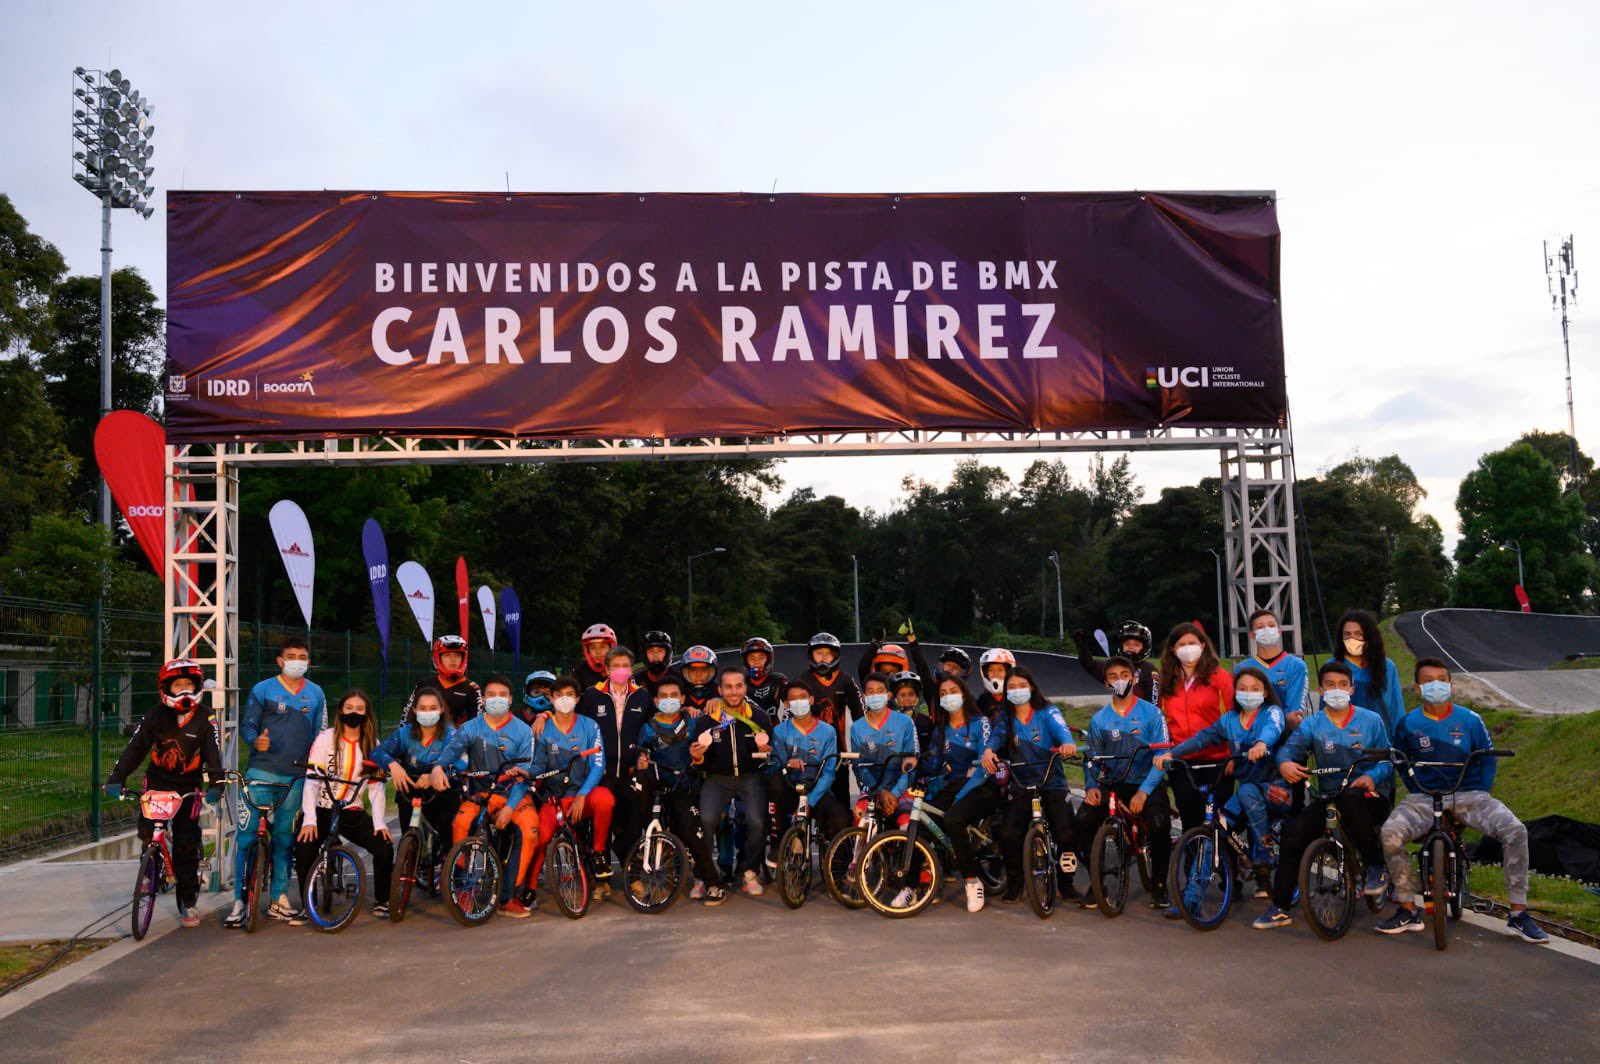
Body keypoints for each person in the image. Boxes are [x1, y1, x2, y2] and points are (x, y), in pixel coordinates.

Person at [1375, 659, 1547, 943]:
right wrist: (1416, 785)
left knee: (1516, 830)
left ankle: (1518, 914)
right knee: (1389, 834)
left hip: (1470, 795)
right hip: (1422, 798)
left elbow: (1487, 758)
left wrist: (1480, 789)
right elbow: (1399, 760)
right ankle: (1407, 908)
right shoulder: (1407, 724)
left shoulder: (1471, 720)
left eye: (1442, 679)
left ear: (1451, 684)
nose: (1436, 685)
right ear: (1418, 687)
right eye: (1428, 680)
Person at [1255, 660, 1394, 930]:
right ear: (1321, 689)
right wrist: (1285, 763)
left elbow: (1388, 760)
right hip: (1330, 796)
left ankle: (1375, 867)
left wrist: (1371, 777)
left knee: (1351, 799)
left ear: (1352, 689)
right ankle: (1280, 905)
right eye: (1330, 685)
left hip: (1368, 797)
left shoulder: (1371, 721)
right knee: (1294, 835)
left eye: (1343, 685)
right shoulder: (1313, 725)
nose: (1337, 690)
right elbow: (1290, 751)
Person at [104, 659, 223, 929]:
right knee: (148, 829)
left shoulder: (206, 717)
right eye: (177, 685)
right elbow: (135, 748)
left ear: (197, 687)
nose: (183, 691)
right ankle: (150, 865)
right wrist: (116, 778)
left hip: (187, 786)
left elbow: (214, 752)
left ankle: (188, 901)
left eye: (188, 685)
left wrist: (216, 785)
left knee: (185, 844)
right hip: (157, 781)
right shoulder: (154, 715)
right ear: (166, 688)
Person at [1154, 666, 1288, 900]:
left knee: (1246, 790)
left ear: (1265, 692)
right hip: (1247, 795)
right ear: (1234, 692)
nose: (1249, 693)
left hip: (1277, 792)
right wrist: (1172, 754)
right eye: (1243, 688)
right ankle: (1191, 901)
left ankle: (1264, 850)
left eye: (1255, 689)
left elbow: (1273, 729)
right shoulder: (1229, 720)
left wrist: (1260, 744)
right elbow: (1202, 739)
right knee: (1215, 829)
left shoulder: (1272, 713)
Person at [227, 636, 326, 928]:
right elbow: (247, 725)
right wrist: (253, 741)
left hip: (295, 779)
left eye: (303, 656)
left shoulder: (316, 693)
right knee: (246, 838)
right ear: (280, 661)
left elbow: (320, 734)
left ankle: (280, 898)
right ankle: (238, 901)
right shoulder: (263, 690)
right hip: (259, 774)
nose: (298, 661)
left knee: (284, 840)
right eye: (292, 656)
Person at [431, 675, 540, 917]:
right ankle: (462, 886)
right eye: (491, 695)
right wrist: (438, 767)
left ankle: (508, 897)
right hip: (481, 794)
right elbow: (451, 752)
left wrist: (511, 808)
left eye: (502, 695)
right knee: (460, 823)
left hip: (515, 795)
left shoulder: (523, 731)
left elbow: (526, 774)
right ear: (483, 699)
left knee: (531, 830)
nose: (497, 699)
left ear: (511, 699)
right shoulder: (470, 728)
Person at [1074, 656, 1172, 909]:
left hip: (1145, 783)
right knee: (1083, 820)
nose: (1120, 681)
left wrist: (1143, 792)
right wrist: (1092, 786)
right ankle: (1098, 882)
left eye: (1125, 675)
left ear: (1134, 678)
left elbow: (1162, 756)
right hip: (1113, 784)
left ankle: (1160, 886)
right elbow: (1092, 759)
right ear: (1106, 683)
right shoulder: (1099, 720)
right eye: (1113, 677)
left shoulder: (1152, 714)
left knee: (1160, 825)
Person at [978, 666, 1080, 904]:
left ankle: (1067, 884)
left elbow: (1062, 731)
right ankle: (1015, 883)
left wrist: (1067, 744)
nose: (1016, 691)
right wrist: (989, 751)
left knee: (1066, 832)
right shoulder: (1006, 717)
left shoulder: (1048, 712)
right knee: (1009, 832)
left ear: (1031, 687)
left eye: (1021, 686)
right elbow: (996, 736)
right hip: (1021, 783)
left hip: (1051, 781)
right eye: (1011, 687)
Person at [294, 689, 393, 919]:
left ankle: (382, 900)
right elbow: (311, 781)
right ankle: (308, 905)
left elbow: (376, 787)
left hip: (352, 811)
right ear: (341, 711)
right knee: (304, 847)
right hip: (322, 809)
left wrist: (379, 823)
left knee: (384, 847)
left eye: (360, 709)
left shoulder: (372, 744)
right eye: (349, 708)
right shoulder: (325, 739)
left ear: (366, 713)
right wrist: (309, 820)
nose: (354, 713)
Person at [636, 675, 729, 906]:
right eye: (664, 696)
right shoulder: (647, 728)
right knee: (647, 829)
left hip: (686, 788)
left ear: (683, 698)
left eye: (674, 696)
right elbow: (642, 754)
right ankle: (649, 877)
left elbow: (710, 752)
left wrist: (698, 758)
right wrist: (641, 761)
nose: (669, 700)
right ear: (656, 701)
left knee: (691, 832)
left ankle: (713, 883)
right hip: (657, 788)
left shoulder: (694, 722)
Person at [525, 676, 614, 900]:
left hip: (582, 795)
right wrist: (527, 775)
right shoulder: (542, 728)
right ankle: (529, 888)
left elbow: (598, 764)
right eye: (559, 695)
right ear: (551, 699)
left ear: (577, 699)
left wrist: (583, 795)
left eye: (570, 695)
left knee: (605, 799)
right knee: (542, 837)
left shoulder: (589, 725)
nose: (564, 699)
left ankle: (599, 853)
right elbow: (537, 764)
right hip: (554, 799)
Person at [691, 666, 774, 897]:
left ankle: (750, 872)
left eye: (738, 686)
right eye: (728, 687)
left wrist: (765, 752)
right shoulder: (706, 721)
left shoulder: (759, 717)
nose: (734, 691)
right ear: (720, 690)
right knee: (706, 821)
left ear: (745, 688)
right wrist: (697, 758)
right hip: (717, 779)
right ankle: (702, 875)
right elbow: (699, 760)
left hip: (751, 778)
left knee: (757, 821)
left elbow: (770, 756)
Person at [925, 676, 1001, 912]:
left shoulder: (981, 723)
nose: (949, 696)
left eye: (953, 690)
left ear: (964, 693)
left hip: (982, 785)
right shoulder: (941, 729)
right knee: (923, 822)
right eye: (944, 693)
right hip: (953, 786)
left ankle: (971, 880)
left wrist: (960, 797)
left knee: (953, 818)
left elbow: (983, 768)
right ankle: (918, 884)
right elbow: (933, 763)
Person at [578, 645, 651, 884]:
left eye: (625, 666)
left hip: (630, 772)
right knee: (601, 827)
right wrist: (544, 715)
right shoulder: (592, 695)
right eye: (616, 666)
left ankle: (634, 878)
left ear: (631, 670)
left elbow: (655, 726)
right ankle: (601, 881)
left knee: (631, 827)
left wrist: (646, 755)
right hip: (602, 773)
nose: (621, 670)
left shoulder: (642, 696)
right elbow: (572, 719)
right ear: (607, 670)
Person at [1157, 622, 1235, 833]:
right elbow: (1159, 718)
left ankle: (1226, 863)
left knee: (1219, 820)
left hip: (1218, 758)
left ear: (1203, 645)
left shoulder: (1220, 677)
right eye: (1182, 644)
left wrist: (1235, 754)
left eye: (1192, 642)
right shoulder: (1165, 680)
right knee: (1190, 820)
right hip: (1182, 760)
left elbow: (1235, 717)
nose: (1187, 648)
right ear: (1173, 648)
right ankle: (1191, 864)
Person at [371, 686, 464, 860]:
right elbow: (376, 752)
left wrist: (436, 775)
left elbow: (463, 761)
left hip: (441, 792)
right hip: (410, 790)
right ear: (414, 710)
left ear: (442, 709)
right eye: (422, 708)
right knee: (409, 840)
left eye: (433, 708)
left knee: (447, 834)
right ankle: (409, 864)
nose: (427, 713)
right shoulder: (404, 733)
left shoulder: (452, 734)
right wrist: (393, 765)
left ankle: (452, 872)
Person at [766, 678, 852, 862]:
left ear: (811, 700)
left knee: (840, 817)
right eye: (793, 699)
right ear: (787, 704)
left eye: (803, 697)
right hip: (790, 789)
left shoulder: (828, 731)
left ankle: (836, 869)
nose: (799, 702)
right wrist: (788, 762)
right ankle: (778, 843)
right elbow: (775, 765)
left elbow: (829, 772)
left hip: (817, 791)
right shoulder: (780, 731)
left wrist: (809, 803)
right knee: (773, 790)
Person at [795, 632, 863, 806]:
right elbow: (789, 716)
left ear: (835, 656)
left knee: (842, 803)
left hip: (838, 751)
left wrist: (864, 742)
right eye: (819, 653)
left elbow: (860, 714)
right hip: (806, 750)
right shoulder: (801, 679)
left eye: (828, 654)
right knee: (805, 801)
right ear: (811, 655)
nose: (823, 658)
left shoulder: (846, 680)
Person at [847, 672, 919, 832]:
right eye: (870, 692)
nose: (875, 696)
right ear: (864, 696)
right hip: (873, 791)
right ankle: (865, 856)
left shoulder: (905, 722)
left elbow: (912, 764)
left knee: (906, 823)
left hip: (902, 790)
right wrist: (880, 793)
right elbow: (859, 767)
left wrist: (893, 794)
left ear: (888, 695)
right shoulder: (857, 728)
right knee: (860, 816)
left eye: (880, 691)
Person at [1332, 608, 1405, 733]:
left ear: (1369, 636)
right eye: (1347, 634)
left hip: (1381, 740)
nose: (1352, 639)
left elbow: (1396, 708)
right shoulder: (1333, 666)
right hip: (1344, 741)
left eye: (1358, 634)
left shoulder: (1387, 666)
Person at [1235, 609, 1309, 725]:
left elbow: (1294, 713)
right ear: (1252, 634)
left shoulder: (1296, 666)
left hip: (1286, 735)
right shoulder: (1242, 669)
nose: (1266, 630)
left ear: (1279, 630)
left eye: (1271, 625)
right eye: (1260, 627)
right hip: (1251, 733)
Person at [401, 634, 483, 727]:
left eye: (457, 655)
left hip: (457, 739)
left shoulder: (472, 688)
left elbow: (477, 723)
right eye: (447, 655)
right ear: (438, 658)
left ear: (463, 658)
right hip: (423, 738)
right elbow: (407, 716)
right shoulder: (424, 684)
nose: (453, 659)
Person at [1075, 621, 1159, 704]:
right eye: (1127, 644)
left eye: (1136, 645)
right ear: (1121, 647)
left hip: (1141, 715)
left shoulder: (1150, 670)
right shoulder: (1111, 666)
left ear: (1144, 648)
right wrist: (1081, 645)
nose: (1131, 647)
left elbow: (1154, 702)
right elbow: (1090, 664)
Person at [741, 637, 787, 718]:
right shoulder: (740, 684)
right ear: (746, 662)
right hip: (748, 728)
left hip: (774, 728)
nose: (756, 662)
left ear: (768, 660)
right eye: (752, 658)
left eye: (761, 657)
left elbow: (791, 704)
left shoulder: (778, 681)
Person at [573, 622, 618, 691]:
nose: (598, 652)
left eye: (603, 647)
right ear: (587, 651)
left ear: (611, 648)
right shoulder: (581, 669)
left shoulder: (621, 666)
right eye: (593, 648)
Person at [974, 647, 1017, 719]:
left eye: (1000, 670)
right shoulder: (983, 699)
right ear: (985, 673)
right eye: (991, 670)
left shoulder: (1015, 697)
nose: (995, 673)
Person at [677, 645, 721, 715]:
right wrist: (680, 711)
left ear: (711, 672)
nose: (698, 675)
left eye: (703, 670)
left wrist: (721, 702)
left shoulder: (720, 691)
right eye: (693, 670)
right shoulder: (677, 691)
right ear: (685, 672)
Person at [635, 631, 677, 697]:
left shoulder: (678, 679)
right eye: (651, 651)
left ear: (667, 653)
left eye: (660, 651)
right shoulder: (636, 681)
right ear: (645, 655)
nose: (655, 655)